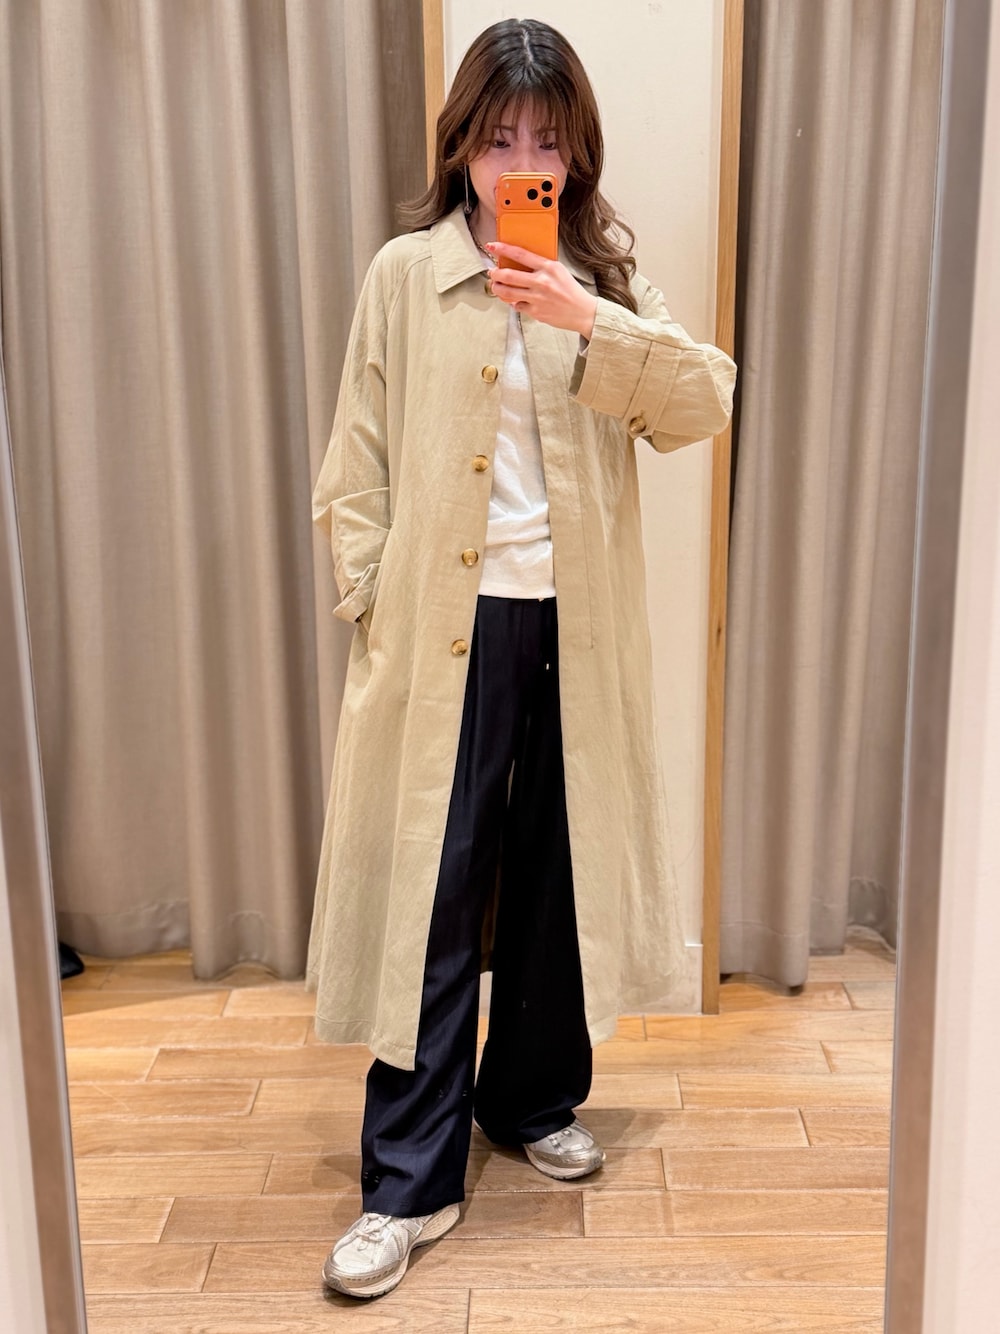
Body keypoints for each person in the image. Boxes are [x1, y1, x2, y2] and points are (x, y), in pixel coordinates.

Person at [308, 17, 736, 1300]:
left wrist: (585, 316)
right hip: (443, 629)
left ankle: (531, 1096)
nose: (522, 164)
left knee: (560, 867)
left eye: (547, 140)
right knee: (432, 888)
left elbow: (703, 403)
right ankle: (407, 1178)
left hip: (574, 625)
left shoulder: (602, 275)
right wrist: (370, 599)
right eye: (500, 138)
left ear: (576, 152)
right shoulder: (405, 274)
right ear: (462, 145)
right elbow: (355, 460)